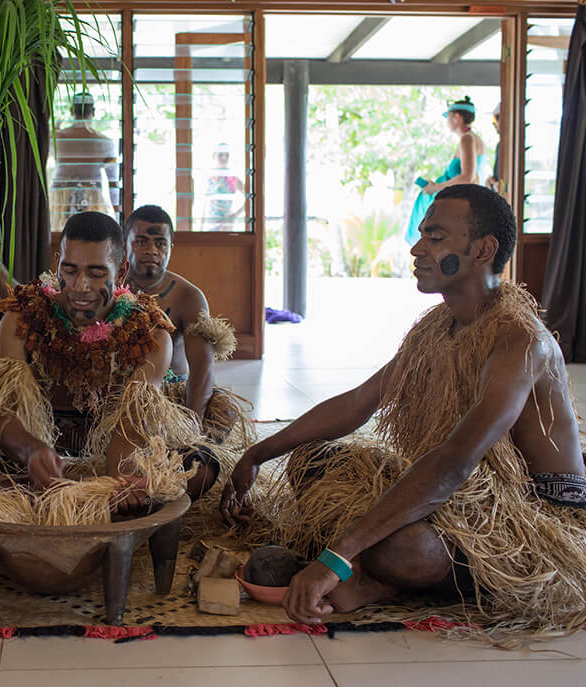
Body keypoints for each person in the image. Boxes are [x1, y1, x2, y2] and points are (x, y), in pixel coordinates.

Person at [221, 184, 586, 639]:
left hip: (530, 516)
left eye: (435, 237)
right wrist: (258, 453)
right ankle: (372, 568)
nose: (417, 249)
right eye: (421, 236)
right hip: (461, 500)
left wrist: (337, 555)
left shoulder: (519, 338)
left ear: (483, 250)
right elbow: (357, 404)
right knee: (312, 460)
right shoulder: (439, 328)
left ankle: (377, 580)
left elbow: (456, 460)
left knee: (402, 548)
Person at [0, 212, 218, 511]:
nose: (80, 286)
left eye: (97, 273)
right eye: (70, 270)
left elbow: (130, 427)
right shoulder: (22, 320)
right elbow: (2, 417)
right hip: (38, 462)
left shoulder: (149, 333)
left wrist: (118, 484)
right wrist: (32, 451)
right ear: (57, 263)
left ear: (122, 271)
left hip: (111, 457)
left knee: (201, 466)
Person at [123, 204, 244, 442]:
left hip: (172, 398)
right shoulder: (109, 288)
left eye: (160, 243)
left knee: (224, 412)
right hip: (122, 395)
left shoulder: (188, 296)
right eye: (141, 242)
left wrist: (192, 426)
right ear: (124, 244)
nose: (151, 250)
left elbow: (202, 366)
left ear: (170, 248)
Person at [405, 97, 488, 244]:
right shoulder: (471, 138)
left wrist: (435, 188)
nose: (447, 121)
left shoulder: (467, 139)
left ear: (457, 117)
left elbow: (467, 177)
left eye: (448, 117)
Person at [50, 93, 119, 231]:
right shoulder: (105, 142)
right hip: (91, 198)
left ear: (71, 111)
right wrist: (117, 214)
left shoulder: (56, 137)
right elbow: (113, 182)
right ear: (93, 112)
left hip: (60, 198)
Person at [200, 143, 244, 232]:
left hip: (225, 227)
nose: (224, 158)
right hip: (209, 227)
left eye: (226, 155)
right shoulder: (209, 179)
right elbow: (204, 205)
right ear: (214, 156)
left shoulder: (232, 178)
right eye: (220, 154)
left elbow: (250, 199)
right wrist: (201, 228)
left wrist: (235, 215)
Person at [487, 103, 502, 193]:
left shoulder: (511, 149)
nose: (494, 124)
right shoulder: (500, 146)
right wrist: (491, 181)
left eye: (495, 119)